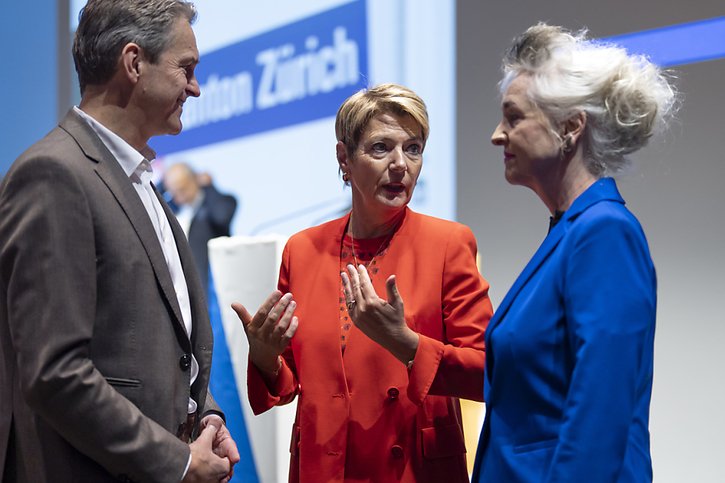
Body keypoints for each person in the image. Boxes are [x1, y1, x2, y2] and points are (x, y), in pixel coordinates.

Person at [0, 1, 240, 481]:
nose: (196, 88)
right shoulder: (53, 174)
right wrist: (179, 462)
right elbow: (56, 373)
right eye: (186, 69)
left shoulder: (140, 182)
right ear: (134, 64)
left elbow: (162, 349)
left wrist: (205, 414)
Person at [232, 83, 493, 482]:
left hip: (413, 470)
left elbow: (486, 372)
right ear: (344, 158)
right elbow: (288, 384)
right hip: (324, 466)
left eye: (413, 148)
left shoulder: (449, 244)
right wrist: (266, 357)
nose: (400, 164)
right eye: (380, 148)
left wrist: (405, 343)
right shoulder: (302, 250)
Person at [471, 24, 676, 482]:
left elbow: (599, 415)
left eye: (513, 117)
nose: (497, 135)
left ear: (570, 126)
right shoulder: (571, 232)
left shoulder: (604, 232)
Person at [163, 163, 238, 295]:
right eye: (173, 192)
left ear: (194, 180)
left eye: (182, 189)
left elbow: (221, 217)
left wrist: (208, 187)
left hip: (212, 287)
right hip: (181, 287)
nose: (178, 196)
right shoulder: (171, 211)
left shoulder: (218, 204)